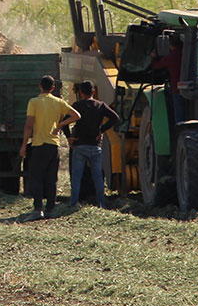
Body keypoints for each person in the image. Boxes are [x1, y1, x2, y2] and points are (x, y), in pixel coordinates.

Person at [18, 75, 80, 221]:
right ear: (52, 88)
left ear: (40, 86)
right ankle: (50, 209)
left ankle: (38, 208)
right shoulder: (59, 102)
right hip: (54, 146)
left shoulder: (34, 102)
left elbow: (28, 125)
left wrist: (23, 145)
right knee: (51, 179)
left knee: (37, 177)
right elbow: (77, 115)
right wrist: (60, 125)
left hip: (39, 145)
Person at [62, 80, 121, 209]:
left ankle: (73, 203)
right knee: (98, 177)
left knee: (76, 177)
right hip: (95, 146)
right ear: (93, 91)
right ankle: (101, 203)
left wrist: (69, 137)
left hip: (79, 145)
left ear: (81, 92)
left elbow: (64, 121)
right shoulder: (101, 105)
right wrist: (102, 130)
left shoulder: (77, 105)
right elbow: (115, 117)